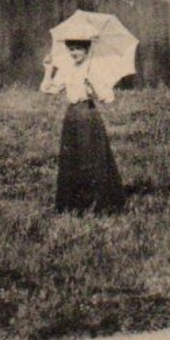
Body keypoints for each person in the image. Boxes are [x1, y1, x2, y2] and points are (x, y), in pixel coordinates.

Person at [44, 38, 126, 214]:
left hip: (88, 115)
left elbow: (108, 98)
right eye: (71, 49)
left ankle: (99, 205)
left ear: (87, 49)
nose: (74, 53)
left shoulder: (94, 69)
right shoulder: (67, 69)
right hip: (72, 116)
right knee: (71, 158)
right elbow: (48, 89)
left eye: (78, 49)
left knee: (91, 158)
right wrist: (48, 70)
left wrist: (92, 87)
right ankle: (73, 205)